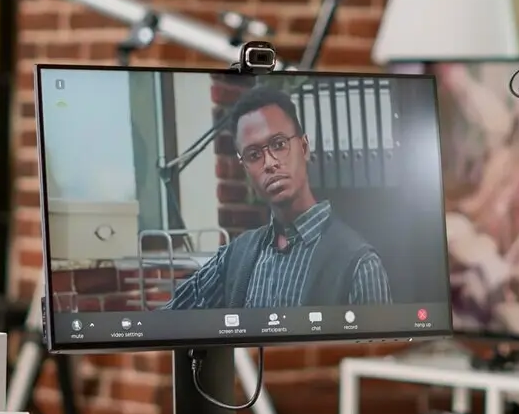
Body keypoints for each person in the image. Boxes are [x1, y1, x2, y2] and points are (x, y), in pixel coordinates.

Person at [162, 84, 391, 309]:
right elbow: (164, 321)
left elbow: (382, 347)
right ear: (245, 168)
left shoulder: (359, 264)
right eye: (254, 155)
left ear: (304, 147)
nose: (270, 163)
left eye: (279, 144)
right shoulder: (236, 256)